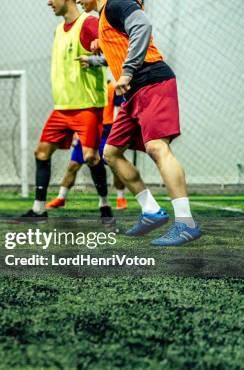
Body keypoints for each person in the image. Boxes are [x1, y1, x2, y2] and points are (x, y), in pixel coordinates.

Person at [79, 0, 202, 245]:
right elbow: (122, 50)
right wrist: (96, 60)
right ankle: (151, 211)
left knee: (157, 147)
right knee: (111, 153)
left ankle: (186, 223)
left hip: (152, 81)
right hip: (133, 91)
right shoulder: (105, 16)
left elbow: (142, 26)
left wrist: (127, 71)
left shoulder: (116, 3)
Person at [20, 0, 113, 224]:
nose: (49, 2)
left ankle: (105, 205)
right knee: (41, 153)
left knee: (91, 157)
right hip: (62, 108)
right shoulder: (58, 31)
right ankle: (39, 210)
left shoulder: (89, 23)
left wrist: (92, 60)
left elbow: (113, 55)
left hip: (87, 106)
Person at [46, 81, 128, 210]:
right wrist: (74, 132)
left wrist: (119, 131)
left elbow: (120, 110)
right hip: (87, 130)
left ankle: (120, 198)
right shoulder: (82, 88)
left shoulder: (112, 88)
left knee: (115, 166)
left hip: (107, 132)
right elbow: (76, 111)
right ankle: (61, 198)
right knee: (73, 165)